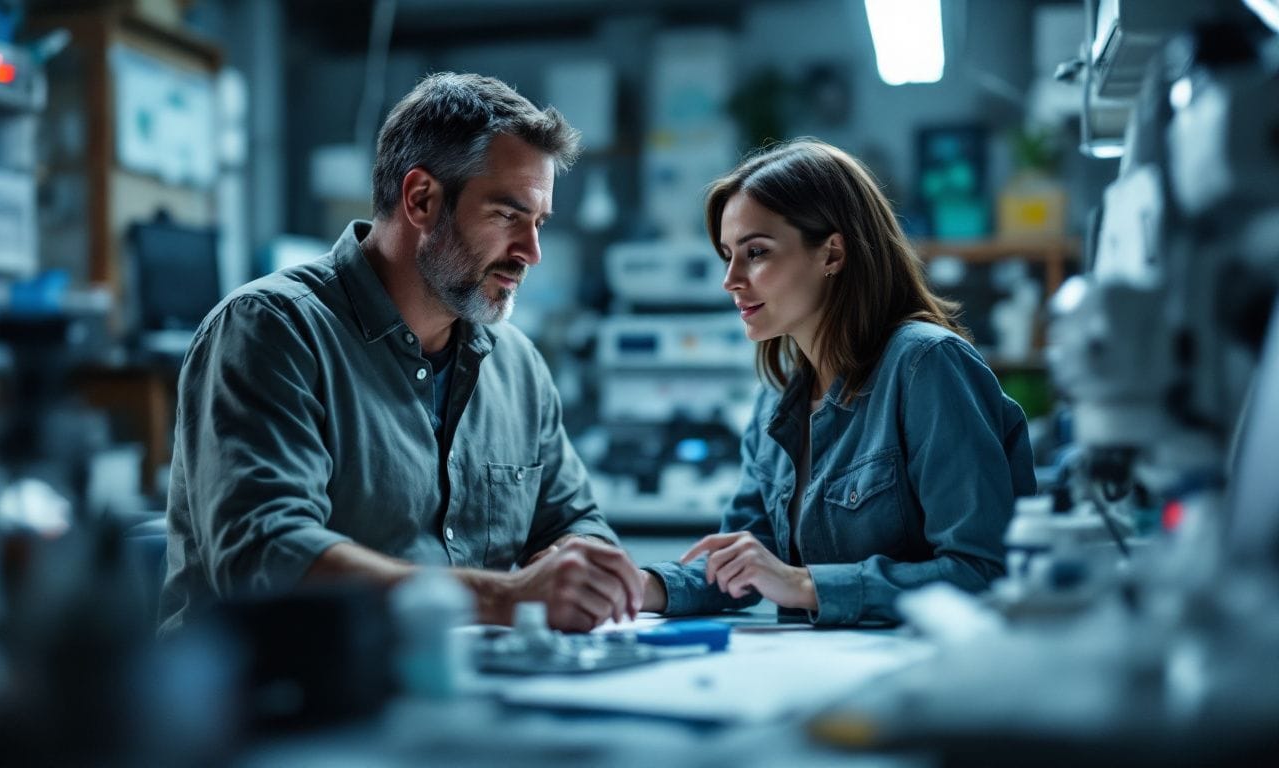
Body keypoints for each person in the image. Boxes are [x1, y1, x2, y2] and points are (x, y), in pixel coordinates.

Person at [159, 73, 643, 635]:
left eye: (538, 224)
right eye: (509, 216)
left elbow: (575, 522)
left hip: (453, 693)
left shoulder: (518, 366)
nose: (531, 253)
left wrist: (576, 564)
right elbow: (267, 556)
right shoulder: (271, 330)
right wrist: (503, 597)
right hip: (272, 702)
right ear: (421, 200)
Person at [640, 139, 1036, 625]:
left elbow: (982, 571)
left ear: (832, 253)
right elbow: (742, 565)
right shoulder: (774, 402)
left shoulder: (926, 365)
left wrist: (805, 584)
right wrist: (642, 586)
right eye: (727, 255)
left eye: (756, 253)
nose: (731, 279)